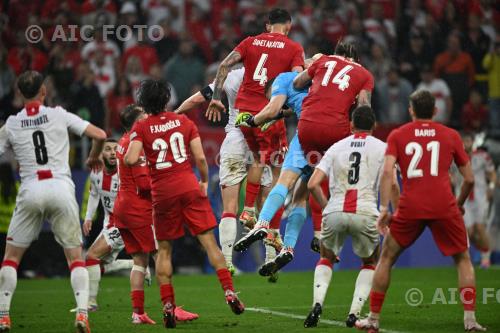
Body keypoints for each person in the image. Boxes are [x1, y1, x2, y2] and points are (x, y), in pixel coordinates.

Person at [356, 90, 486, 332]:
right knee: (463, 259)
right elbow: (469, 179)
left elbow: (387, 173)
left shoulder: (398, 135)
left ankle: (373, 319)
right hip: (443, 204)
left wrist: (384, 208)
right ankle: (470, 320)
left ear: (411, 110)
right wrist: (458, 204)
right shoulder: (451, 135)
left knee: (386, 258)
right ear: (435, 111)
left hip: (410, 205)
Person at [125, 80, 244, 328]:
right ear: (167, 99)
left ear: (144, 103)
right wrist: (202, 181)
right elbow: (201, 158)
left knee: (164, 251)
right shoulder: (184, 122)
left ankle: (168, 304)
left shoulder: (142, 127)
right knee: (210, 243)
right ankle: (229, 292)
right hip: (188, 185)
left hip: (162, 193)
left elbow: (131, 157)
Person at [0, 70, 107, 333]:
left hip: (30, 188)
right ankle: (82, 314)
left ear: (18, 92)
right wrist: (94, 157)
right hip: (60, 187)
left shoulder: (12, 123)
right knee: (74, 258)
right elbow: (101, 134)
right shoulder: (58, 114)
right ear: (44, 91)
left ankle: (3, 316)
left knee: (11, 259)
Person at [207, 8, 305, 229]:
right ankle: (266, 227)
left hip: (243, 113)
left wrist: (215, 98)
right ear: (288, 26)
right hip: (268, 113)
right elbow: (297, 80)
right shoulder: (293, 47)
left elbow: (224, 65)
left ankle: (249, 210)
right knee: (272, 164)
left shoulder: (250, 41)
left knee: (257, 157)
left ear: (268, 25)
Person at [174, 67, 276, 277]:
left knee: (229, 207)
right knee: (264, 203)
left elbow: (196, 99)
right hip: (263, 136)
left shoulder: (231, 76)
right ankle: (270, 260)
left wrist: (173, 116)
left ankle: (227, 262)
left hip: (235, 139)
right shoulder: (273, 74)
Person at [304, 106, 399, 328]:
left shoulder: (336, 147)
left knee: (326, 257)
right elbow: (392, 181)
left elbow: (312, 184)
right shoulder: (383, 148)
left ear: (350, 125)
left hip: (335, 211)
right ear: (374, 126)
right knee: (370, 262)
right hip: (366, 212)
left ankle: (317, 303)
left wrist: (328, 208)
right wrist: (390, 210)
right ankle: (354, 313)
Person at [233, 56, 325, 273]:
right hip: (331, 138)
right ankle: (291, 247)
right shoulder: (327, 85)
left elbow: (273, 109)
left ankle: (262, 224)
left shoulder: (286, 79)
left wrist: (254, 120)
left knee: (283, 183)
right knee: (302, 195)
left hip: (307, 133)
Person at [114, 104, 198, 325]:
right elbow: (143, 184)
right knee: (162, 255)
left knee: (139, 261)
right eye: (143, 116)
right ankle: (170, 306)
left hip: (121, 209)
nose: (148, 118)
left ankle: (138, 313)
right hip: (137, 209)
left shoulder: (123, 142)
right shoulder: (137, 147)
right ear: (136, 123)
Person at [82, 138, 149, 312]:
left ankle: (90, 303)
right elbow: (94, 194)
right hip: (108, 222)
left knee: (91, 257)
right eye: (107, 149)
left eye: (115, 149)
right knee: (97, 265)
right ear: (100, 154)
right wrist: (88, 218)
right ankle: (137, 266)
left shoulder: (125, 171)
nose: (112, 152)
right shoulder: (96, 172)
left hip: (123, 222)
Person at [293, 41, 373, 160]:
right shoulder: (365, 75)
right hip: (335, 128)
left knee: (315, 170)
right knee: (340, 170)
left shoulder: (323, 60)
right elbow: (363, 107)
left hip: (306, 125)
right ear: (355, 59)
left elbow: (297, 83)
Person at [460, 133, 496, 269]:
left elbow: (492, 173)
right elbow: (448, 174)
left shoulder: (482, 156)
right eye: (464, 140)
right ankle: (474, 255)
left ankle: (486, 258)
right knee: (468, 232)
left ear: (473, 141)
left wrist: (491, 187)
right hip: (464, 200)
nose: (466, 143)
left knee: (480, 228)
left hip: (480, 198)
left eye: (468, 140)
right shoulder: (454, 157)